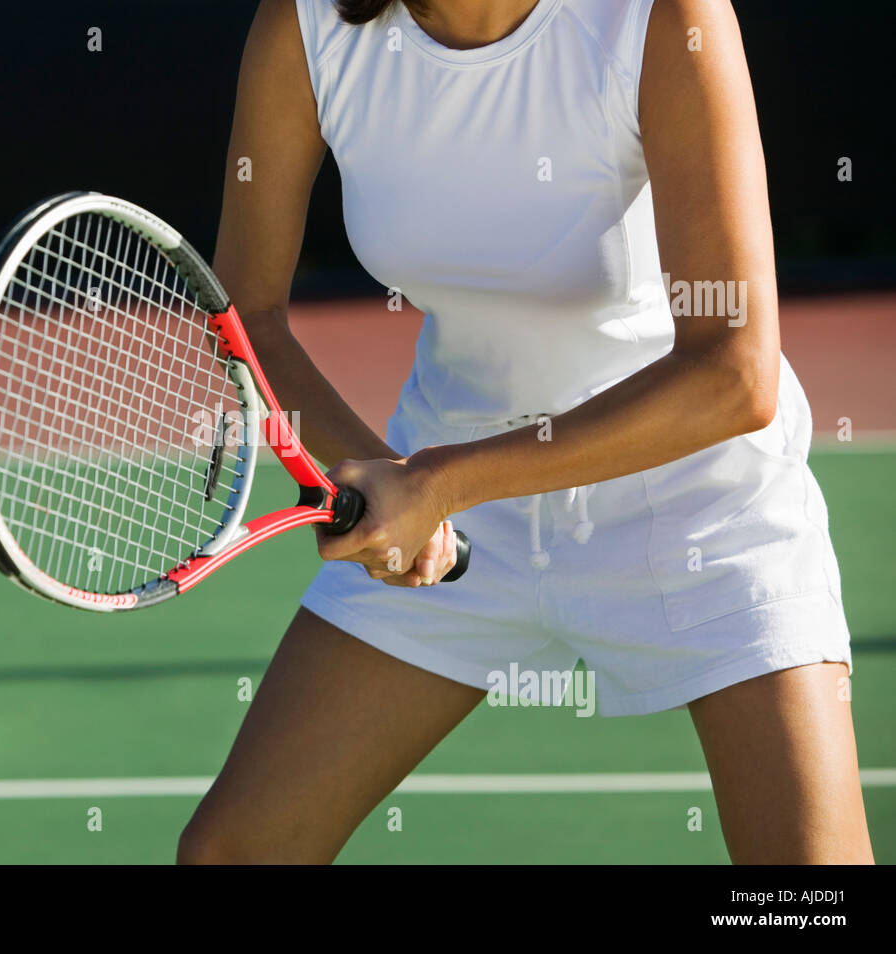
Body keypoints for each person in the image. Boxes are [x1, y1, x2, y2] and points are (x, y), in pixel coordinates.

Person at [178, 0, 873, 863]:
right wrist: (398, 479)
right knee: (234, 855)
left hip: (700, 500)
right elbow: (249, 314)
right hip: (459, 493)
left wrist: (437, 484)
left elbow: (734, 374)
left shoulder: (663, 17)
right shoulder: (306, 26)